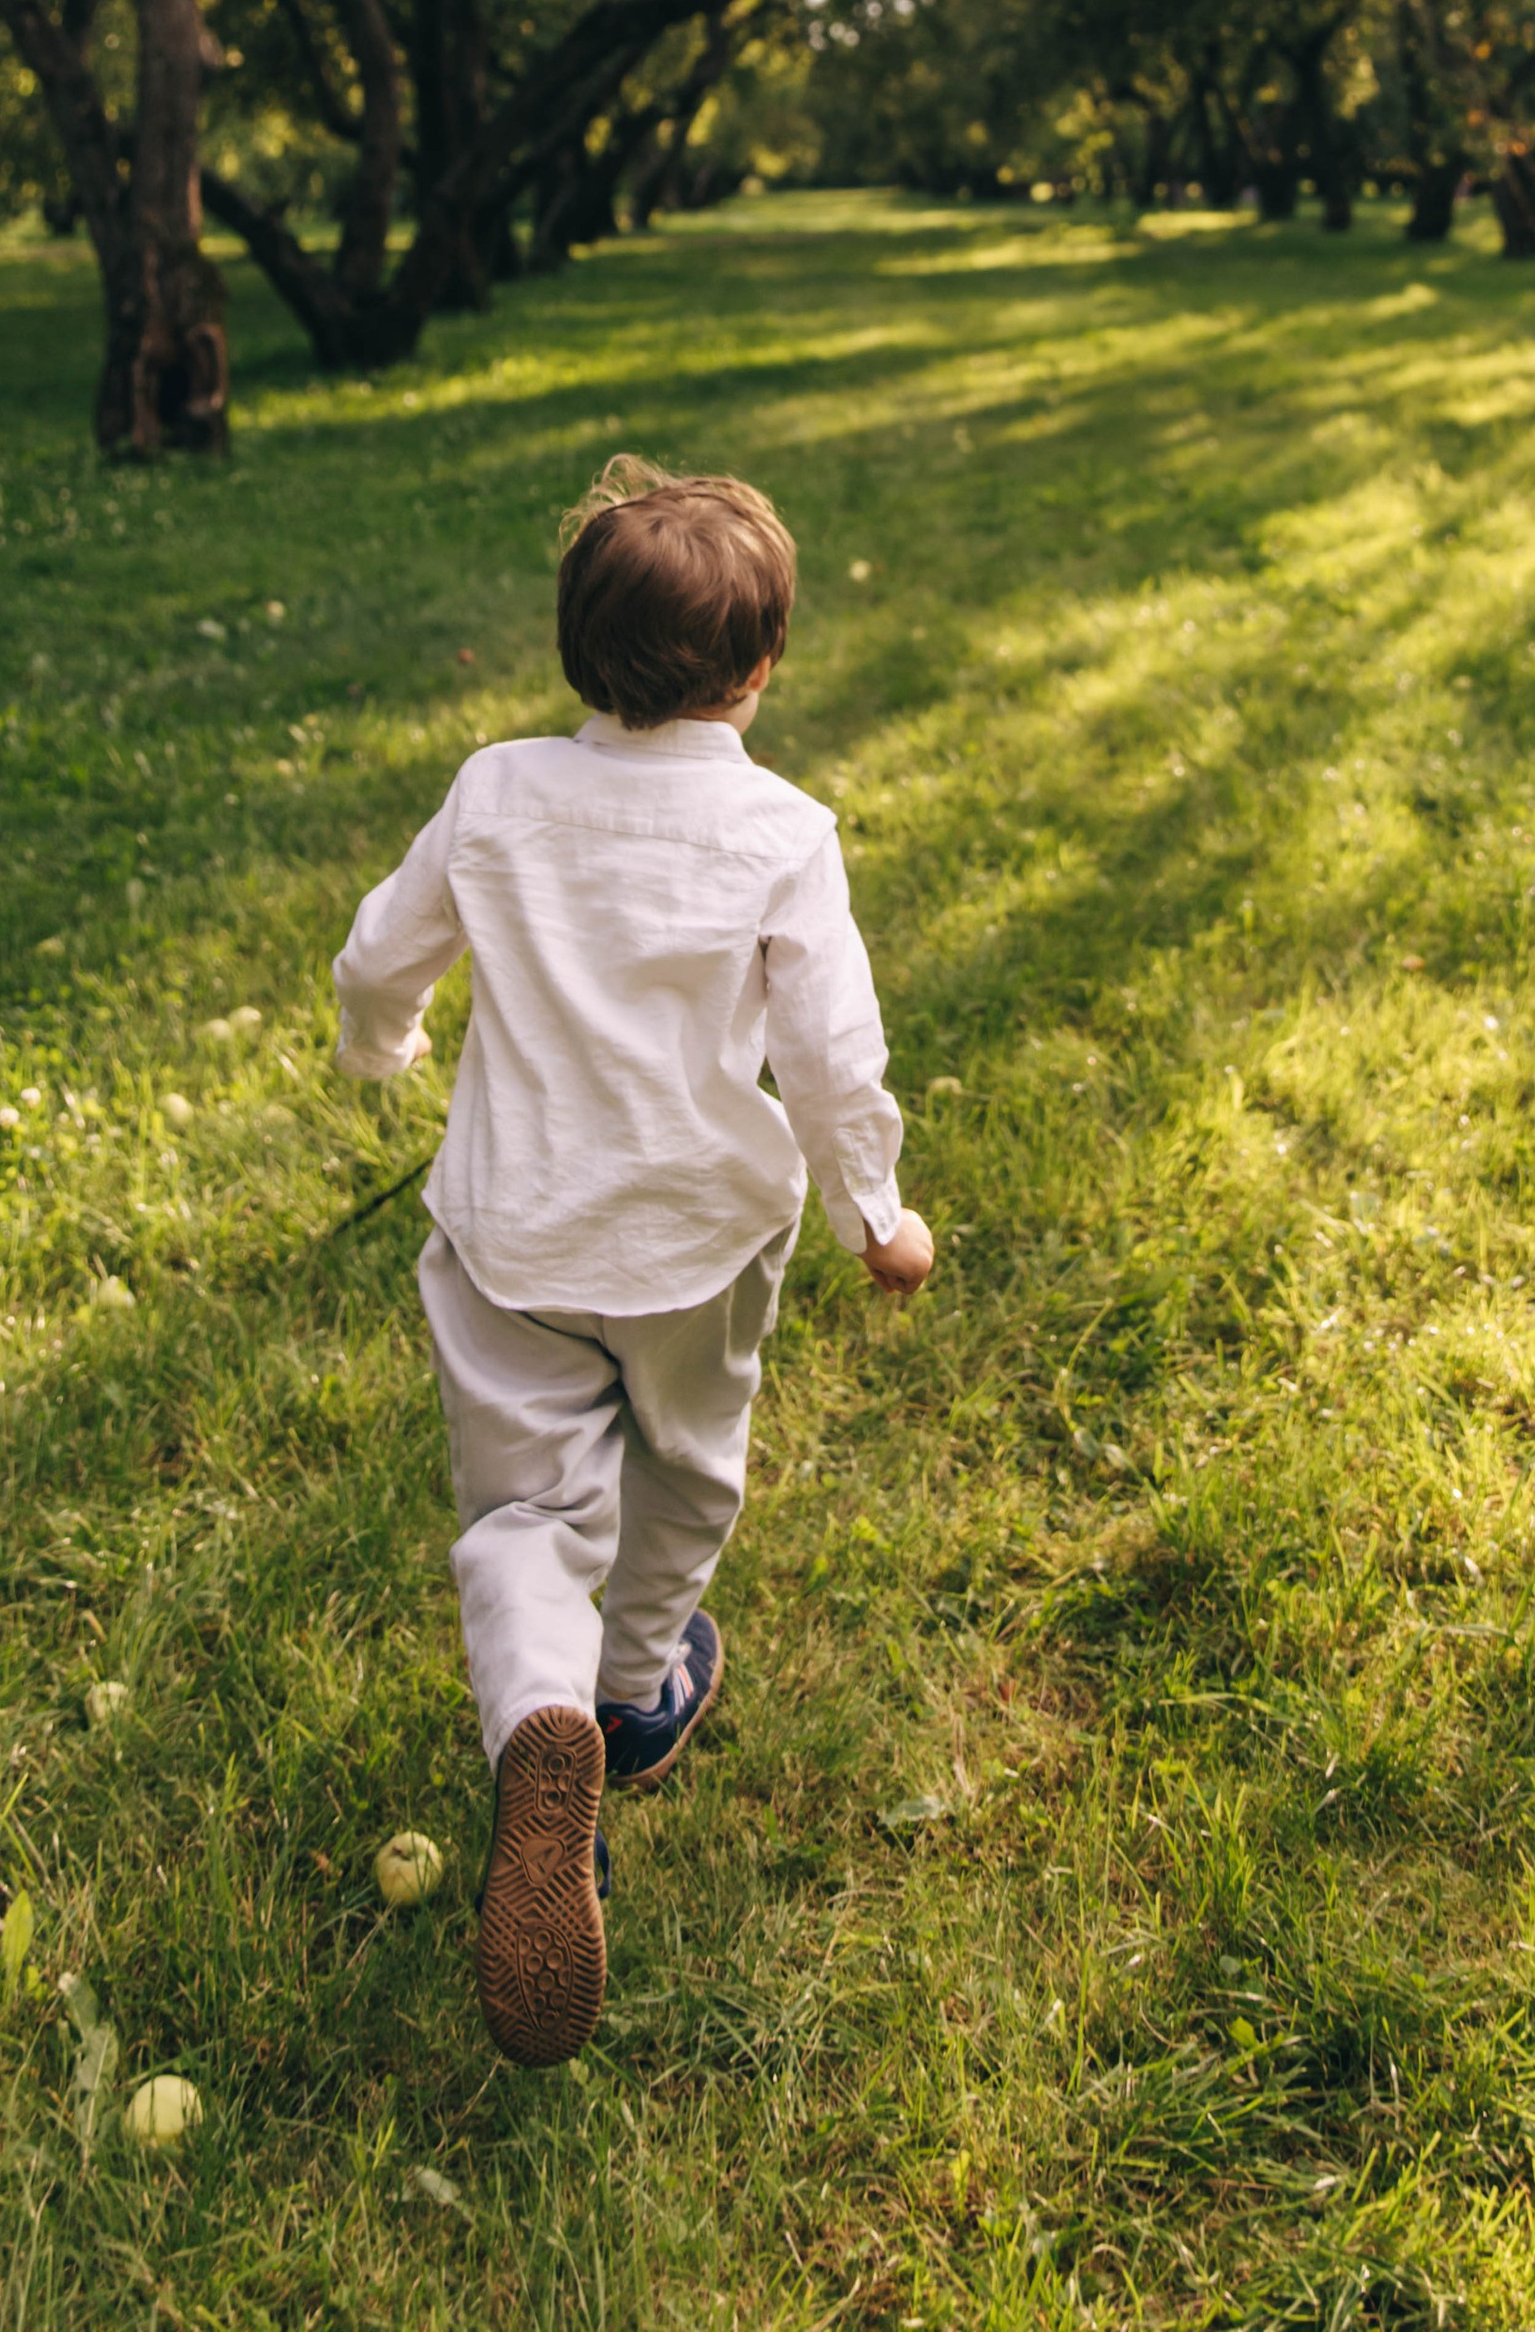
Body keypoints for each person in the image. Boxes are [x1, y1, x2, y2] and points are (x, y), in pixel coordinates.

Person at [331, 456, 935, 2067]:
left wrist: (377, 1048)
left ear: (574, 655)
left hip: (513, 1226)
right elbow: (829, 1053)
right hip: (695, 1244)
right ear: (761, 669)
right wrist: (876, 1212)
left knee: (529, 1507)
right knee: (683, 1472)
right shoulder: (782, 831)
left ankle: (537, 1714)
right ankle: (635, 1690)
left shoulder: (495, 789)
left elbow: (382, 947)